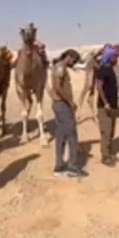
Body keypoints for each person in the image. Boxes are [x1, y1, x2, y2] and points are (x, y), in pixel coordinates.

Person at [50, 49, 88, 177]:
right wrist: (70, 102)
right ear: (69, 57)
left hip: (59, 104)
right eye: (74, 60)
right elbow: (57, 87)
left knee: (60, 135)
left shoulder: (58, 67)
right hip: (62, 104)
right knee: (72, 134)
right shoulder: (60, 67)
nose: (74, 63)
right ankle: (72, 166)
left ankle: (59, 165)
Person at [95, 47, 119, 167]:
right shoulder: (102, 70)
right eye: (115, 57)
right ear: (110, 57)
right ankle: (105, 156)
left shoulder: (111, 69)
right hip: (105, 107)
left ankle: (109, 153)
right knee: (106, 131)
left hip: (113, 105)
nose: (116, 59)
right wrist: (105, 103)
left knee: (111, 131)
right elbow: (99, 87)